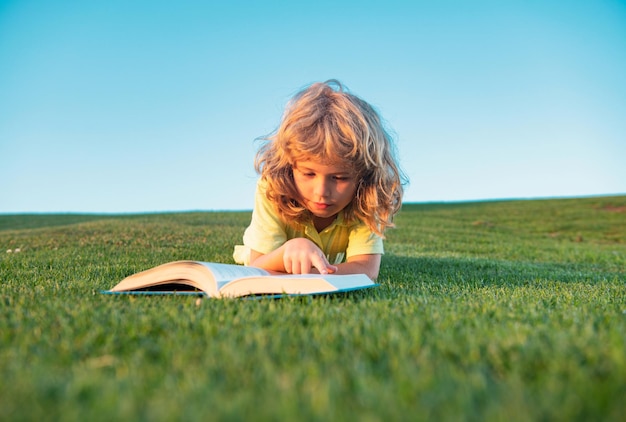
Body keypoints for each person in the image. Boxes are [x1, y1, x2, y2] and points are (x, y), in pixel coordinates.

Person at [233, 80, 406, 280]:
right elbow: (257, 267)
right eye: (308, 174)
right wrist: (289, 250)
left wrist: (310, 274)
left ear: (363, 177)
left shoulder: (366, 199)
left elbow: (366, 270)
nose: (322, 191)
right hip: (270, 254)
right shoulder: (273, 188)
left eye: (339, 177)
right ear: (289, 166)